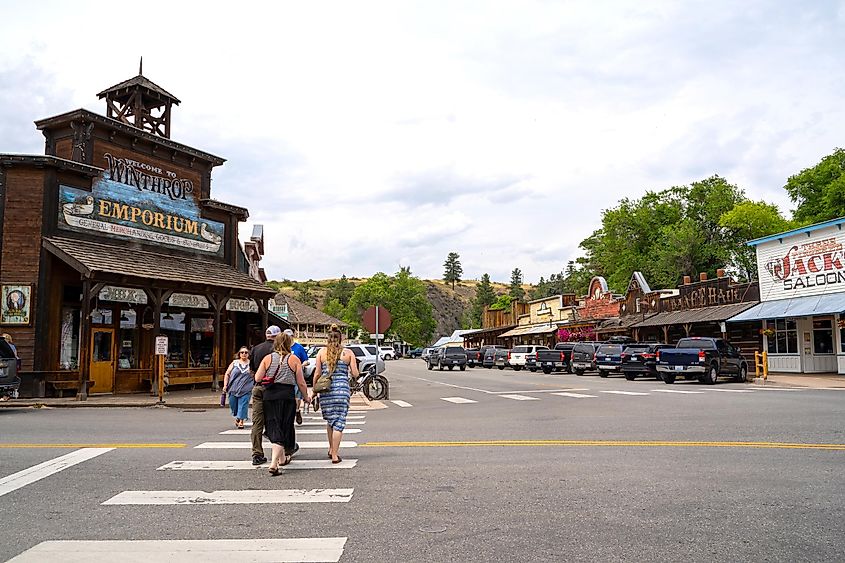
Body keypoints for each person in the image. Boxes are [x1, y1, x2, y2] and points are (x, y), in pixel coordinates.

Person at [253, 332, 310, 475]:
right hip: (287, 395)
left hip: (270, 394)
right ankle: (274, 463)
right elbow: (301, 383)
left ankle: (282, 458)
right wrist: (306, 397)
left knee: (274, 425)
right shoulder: (294, 359)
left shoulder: (268, 358)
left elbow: (258, 377)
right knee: (284, 426)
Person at [313, 324, 358, 464]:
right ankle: (335, 455)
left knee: (330, 421)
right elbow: (355, 373)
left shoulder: (321, 353)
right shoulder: (348, 353)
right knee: (339, 423)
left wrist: (314, 390)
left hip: (327, 391)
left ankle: (331, 448)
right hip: (342, 391)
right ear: (340, 338)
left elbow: (317, 373)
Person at [248, 325, 280, 466]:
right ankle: (281, 452)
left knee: (257, 423)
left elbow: (251, 370)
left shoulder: (256, 349)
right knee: (277, 420)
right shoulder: (278, 351)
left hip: (258, 387)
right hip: (274, 389)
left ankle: (257, 453)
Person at [222, 346, 254, 429]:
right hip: (233, 388)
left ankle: (241, 421)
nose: (244, 354)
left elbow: (255, 374)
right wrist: (225, 385)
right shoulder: (234, 363)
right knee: (233, 405)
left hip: (246, 388)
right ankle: (238, 417)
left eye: (246, 352)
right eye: (242, 352)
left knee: (243, 404)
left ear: (248, 354)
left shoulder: (251, 364)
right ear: (239, 354)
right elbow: (227, 374)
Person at [285, 329, 309, 425]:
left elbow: (306, 360)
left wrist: (302, 365)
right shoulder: (283, 348)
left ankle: (297, 410)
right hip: (286, 374)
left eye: (290, 336)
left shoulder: (298, 347)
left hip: (297, 374)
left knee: (297, 395)